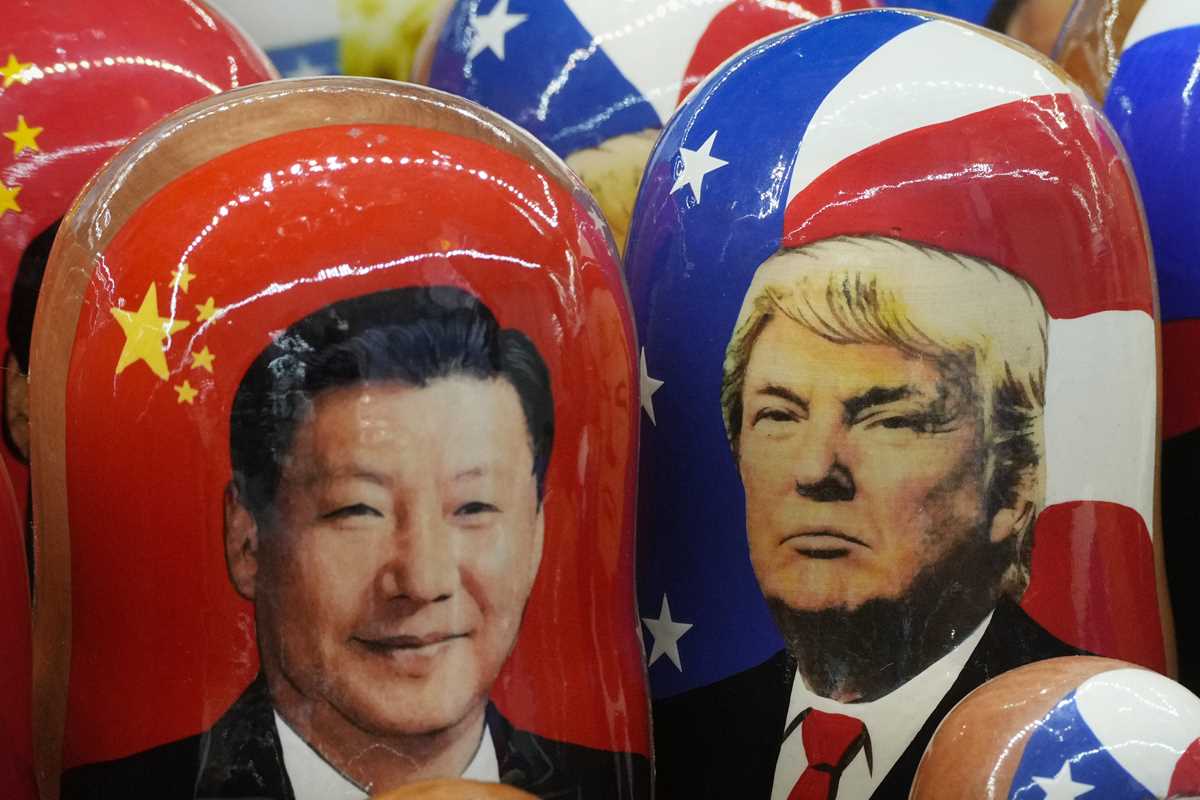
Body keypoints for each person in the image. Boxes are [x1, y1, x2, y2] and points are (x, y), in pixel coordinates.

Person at [62, 285, 648, 800]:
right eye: (358, 510)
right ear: (247, 541)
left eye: (474, 508)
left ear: (537, 534)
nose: (423, 580)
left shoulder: (627, 785)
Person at [653, 235, 1082, 800]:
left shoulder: (1084, 742)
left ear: (1014, 485)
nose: (815, 469)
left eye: (890, 421)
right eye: (780, 415)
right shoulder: (673, 741)